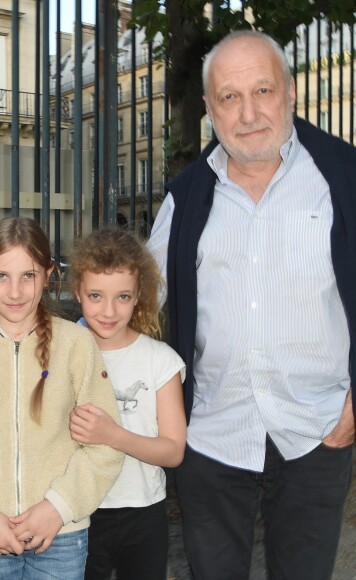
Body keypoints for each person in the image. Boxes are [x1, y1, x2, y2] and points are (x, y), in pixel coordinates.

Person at [148, 30, 355, 580]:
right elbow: (136, 303)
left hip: (318, 428)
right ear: (211, 110)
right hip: (213, 433)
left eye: (262, 90)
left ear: (288, 92)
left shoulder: (344, 178)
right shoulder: (186, 197)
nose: (248, 113)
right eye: (229, 97)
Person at [0, 217, 124, 580]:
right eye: (1, 276)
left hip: (62, 534)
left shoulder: (76, 345)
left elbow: (106, 445)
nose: (15, 292)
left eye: (29, 275)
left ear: (49, 273)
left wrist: (58, 507)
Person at [68, 229, 186, 580]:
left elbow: (173, 450)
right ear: (77, 293)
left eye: (122, 296)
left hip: (143, 512)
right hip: (78, 510)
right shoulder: (62, 352)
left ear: (139, 297)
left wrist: (112, 434)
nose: (108, 310)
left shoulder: (160, 361)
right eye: (95, 295)